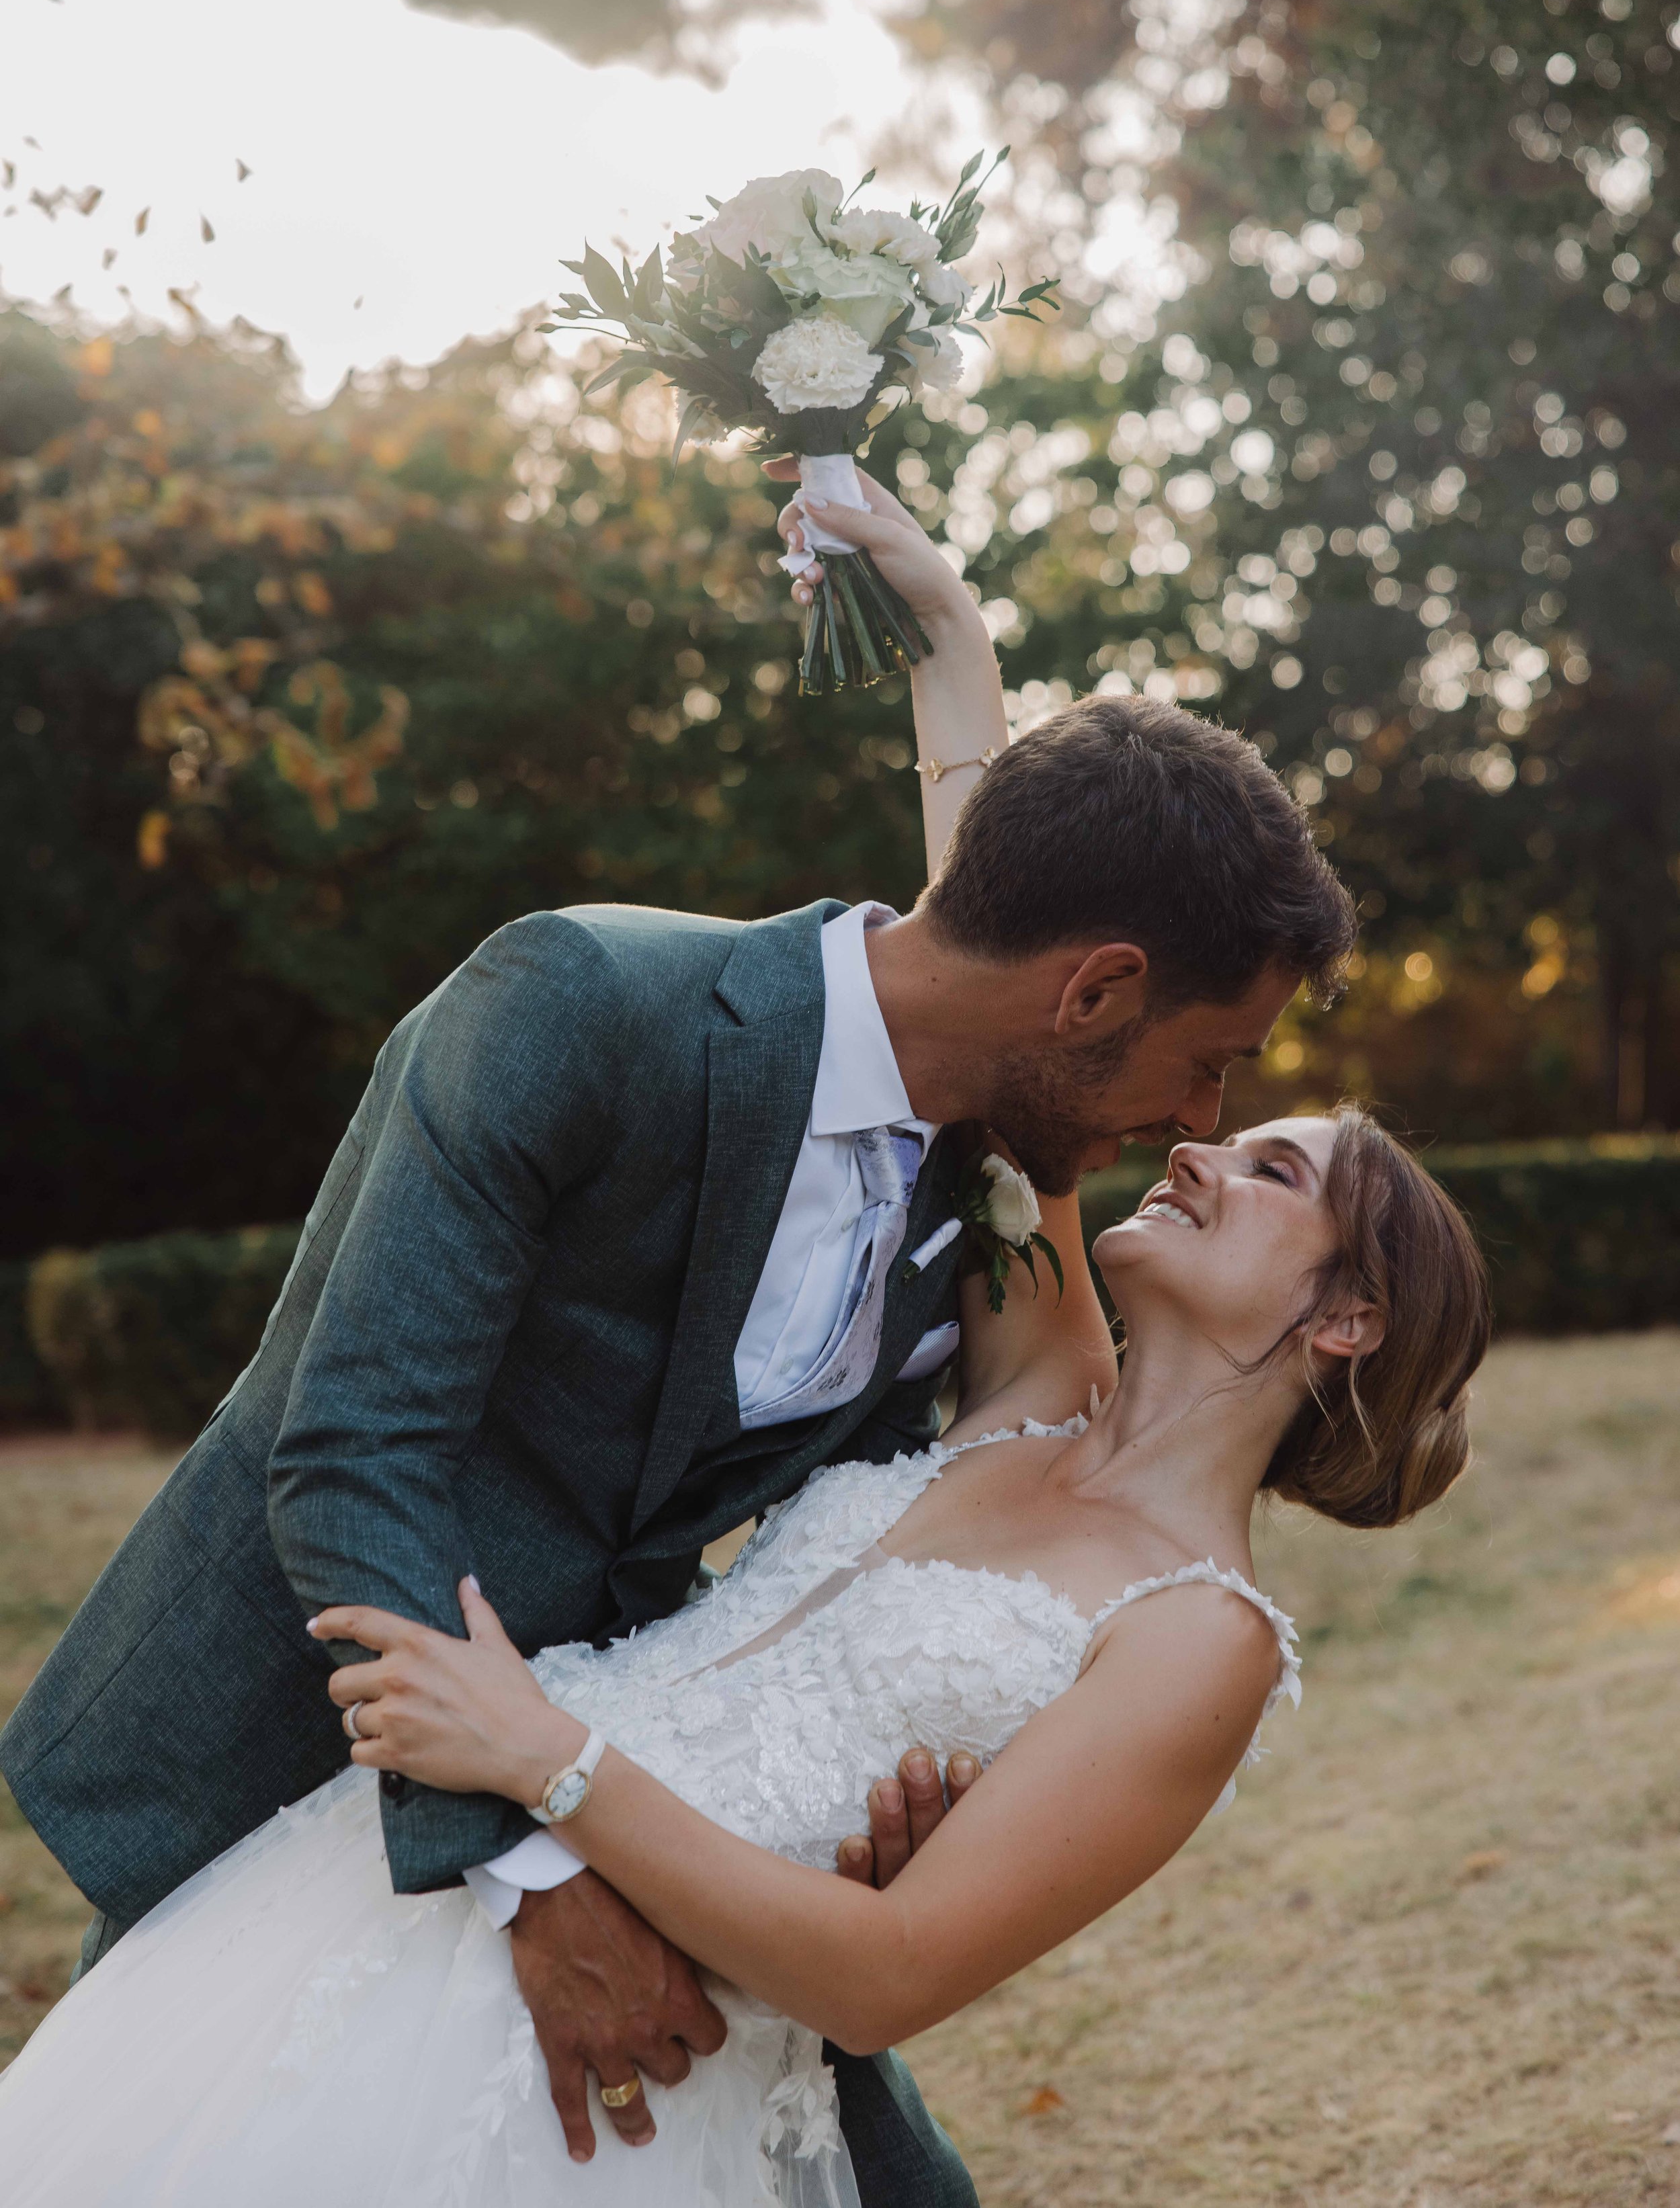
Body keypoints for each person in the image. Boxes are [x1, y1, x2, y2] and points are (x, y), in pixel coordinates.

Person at [0, 465, 1360, 2203]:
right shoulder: (577, 1003)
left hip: (673, 1843)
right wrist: (534, 1873)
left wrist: (955, 647)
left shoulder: (996, 1187)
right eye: (1214, 1062)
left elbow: (1018, 920)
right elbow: (348, 1455)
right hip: (326, 1748)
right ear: (1095, 994)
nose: (1195, 1117)